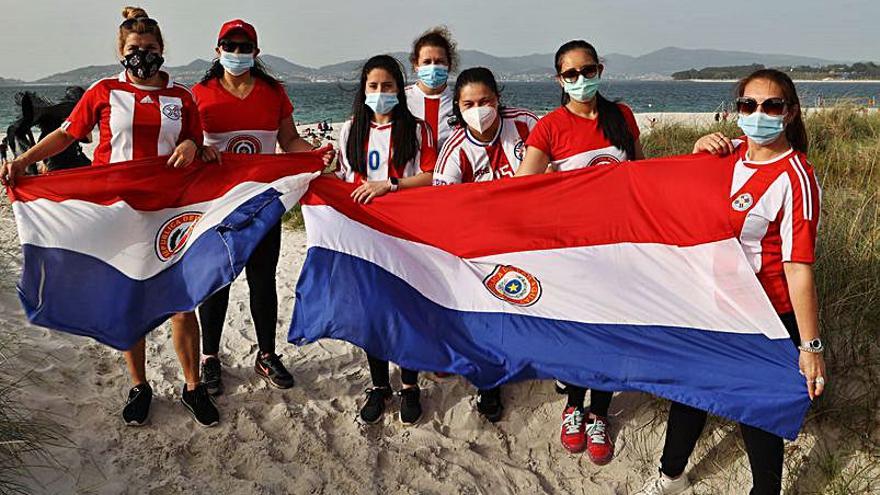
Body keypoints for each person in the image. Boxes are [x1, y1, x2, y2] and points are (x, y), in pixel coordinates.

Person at [1, 6, 220, 427]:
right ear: (122, 50)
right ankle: (140, 385)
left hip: (169, 214)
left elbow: (196, 139)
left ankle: (192, 386)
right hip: (117, 213)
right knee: (129, 300)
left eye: (151, 48)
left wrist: (194, 145)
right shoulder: (103, 91)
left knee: (181, 302)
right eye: (136, 48)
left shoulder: (182, 96)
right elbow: (68, 134)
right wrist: (25, 160)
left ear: (162, 50)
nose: (144, 55)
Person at [635, 69, 825, 495]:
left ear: (790, 113)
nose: (759, 114)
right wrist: (698, 149)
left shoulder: (796, 178)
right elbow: (689, 202)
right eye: (748, 105)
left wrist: (810, 347)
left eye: (771, 106)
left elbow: (798, 268)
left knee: (757, 412)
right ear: (736, 110)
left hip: (766, 317)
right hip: (713, 306)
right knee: (690, 393)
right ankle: (671, 475)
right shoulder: (729, 155)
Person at [516, 40, 644, 464]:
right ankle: (573, 405)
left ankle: (599, 413)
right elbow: (521, 188)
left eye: (587, 70)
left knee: (609, 330)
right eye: (570, 74)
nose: (580, 80)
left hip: (620, 245)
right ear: (559, 79)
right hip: (574, 249)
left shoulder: (621, 116)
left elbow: (641, 172)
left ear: (600, 69)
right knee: (577, 330)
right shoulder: (550, 126)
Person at [193, 19, 334, 396]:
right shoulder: (200, 94)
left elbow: (289, 140)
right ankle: (209, 357)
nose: (237, 54)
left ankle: (267, 354)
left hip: (262, 201)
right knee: (216, 279)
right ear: (218, 49)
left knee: (262, 278)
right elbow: (189, 145)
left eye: (244, 47)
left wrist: (318, 155)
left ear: (255, 52)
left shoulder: (273, 92)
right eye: (230, 46)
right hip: (217, 204)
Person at [335, 54, 437, 425]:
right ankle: (379, 384)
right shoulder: (350, 130)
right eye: (374, 86)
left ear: (400, 88)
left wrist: (390, 186)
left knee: (406, 308)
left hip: (407, 232)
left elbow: (430, 176)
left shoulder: (418, 130)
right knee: (372, 312)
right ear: (364, 90)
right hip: (365, 235)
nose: (380, 93)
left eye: (388, 86)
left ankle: (409, 384)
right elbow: (346, 181)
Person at [432, 67, 538, 422]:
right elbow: (443, 205)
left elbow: (555, 165)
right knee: (485, 309)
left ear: (498, 99)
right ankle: (488, 382)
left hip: (529, 234)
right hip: (483, 243)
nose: (479, 109)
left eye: (486, 101)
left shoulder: (524, 124)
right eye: (469, 103)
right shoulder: (456, 147)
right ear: (459, 108)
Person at [406, 27, 457, 150]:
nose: (433, 67)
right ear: (416, 65)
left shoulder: (460, 102)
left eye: (439, 62)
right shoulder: (402, 99)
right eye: (427, 62)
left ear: (449, 65)